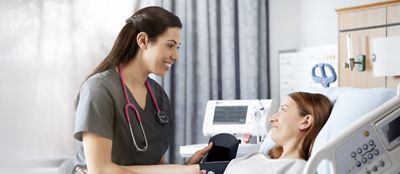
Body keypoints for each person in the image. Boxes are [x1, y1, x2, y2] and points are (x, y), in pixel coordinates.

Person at [68, 6, 212, 174]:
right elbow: (100, 170)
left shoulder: (159, 97)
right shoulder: (99, 89)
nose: (176, 55)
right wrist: (179, 172)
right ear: (143, 40)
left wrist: (185, 167)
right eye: (170, 45)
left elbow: (153, 167)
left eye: (177, 47)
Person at [223, 92, 333, 174]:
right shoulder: (258, 156)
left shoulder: (298, 169)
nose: (271, 118)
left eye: (283, 110)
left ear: (305, 122)